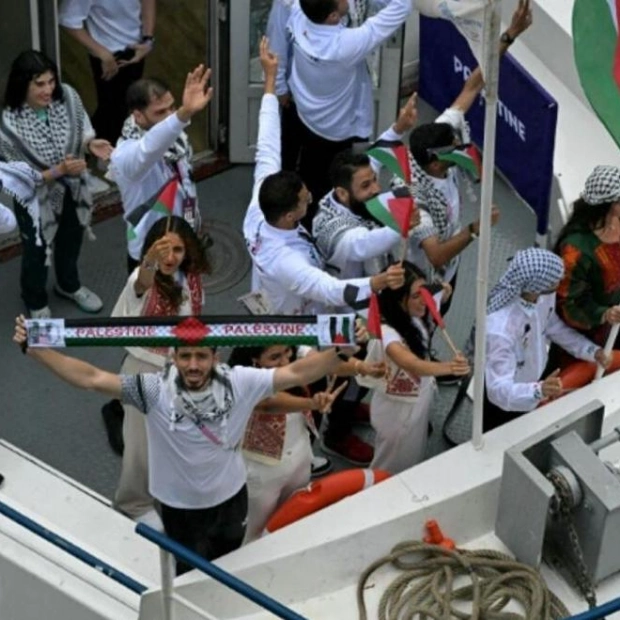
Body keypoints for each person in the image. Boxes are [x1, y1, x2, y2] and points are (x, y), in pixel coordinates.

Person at [13, 315, 361, 574]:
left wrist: (342, 350)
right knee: (187, 571)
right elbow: (91, 378)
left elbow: (298, 373)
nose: (193, 365)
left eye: (201, 357)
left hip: (231, 501)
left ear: (215, 358)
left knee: (228, 562)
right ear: (173, 358)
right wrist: (36, 350)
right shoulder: (153, 389)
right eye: (185, 357)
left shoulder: (241, 382)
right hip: (180, 508)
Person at [396, 0, 533, 314]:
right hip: (422, 282)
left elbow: (473, 85)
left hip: (450, 271)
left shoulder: (441, 135)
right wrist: (475, 229)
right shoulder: (415, 199)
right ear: (434, 163)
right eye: (455, 147)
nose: (461, 144)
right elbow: (436, 256)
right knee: (426, 322)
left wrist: (510, 34)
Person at [108, 216, 210, 529]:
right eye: (161, 250)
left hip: (177, 368)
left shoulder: (191, 280)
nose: (169, 258)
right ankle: (133, 502)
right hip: (144, 369)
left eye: (177, 249)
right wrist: (149, 262)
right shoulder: (142, 277)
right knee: (140, 443)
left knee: (173, 433)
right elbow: (143, 282)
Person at [229, 343, 382, 542]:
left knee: (294, 509)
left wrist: (361, 367)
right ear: (253, 359)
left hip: (301, 453)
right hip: (262, 468)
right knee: (254, 529)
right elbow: (268, 403)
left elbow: (328, 363)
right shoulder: (238, 379)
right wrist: (311, 404)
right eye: (275, 358)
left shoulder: (294, 352)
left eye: (287, 352)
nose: (285, 361)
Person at [0, 50, 112, 319]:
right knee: (36, 249)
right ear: (21, 84)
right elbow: (17, 177)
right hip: (34, 199)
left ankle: (68, 285)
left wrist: (90, 144)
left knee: (71, 240)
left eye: (51, 81)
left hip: (74, 188)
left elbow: (83, 129)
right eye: (39, 84)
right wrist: (56, 171)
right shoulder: (7, 126)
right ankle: (34, 298)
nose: (48, 89)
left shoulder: (68, 96)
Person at [283, 0, 412, 227]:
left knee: (312, 179)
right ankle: (343, 231)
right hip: (340, 132)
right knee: (346, 189)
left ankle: (310, 224)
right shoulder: (345, 45)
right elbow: (401, 6)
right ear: (333, 16)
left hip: (307, 115)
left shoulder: (298, 13)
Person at [361, 261, 469, 474]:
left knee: (412, 453)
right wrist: (451, 368)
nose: (424, 301)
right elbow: (412, 364)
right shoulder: (387, 333)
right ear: (398, 299)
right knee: (389, 466)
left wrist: (444, 293)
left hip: (417, 397)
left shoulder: (414, 314)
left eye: (425, 293)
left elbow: (435, 301)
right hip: (398, 411)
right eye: (416, 296)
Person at [484, 248, 609, 432]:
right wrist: (538, 391)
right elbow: (498, 390)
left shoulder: (542, 296)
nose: (560, 281)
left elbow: (552, 326)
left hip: (533, 380)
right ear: (538, 286)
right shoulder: (500, 330)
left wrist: (591, 351)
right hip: (504, 402)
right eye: (556, 279)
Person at [108, 64, 210, 274]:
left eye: (171, 108)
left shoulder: (177, 140)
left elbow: (185, 183)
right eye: (160, 112)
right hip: (150, 253)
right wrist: (183, 113)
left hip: (182, 238)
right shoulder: (126, 155)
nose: (169, 116)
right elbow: (151, 147)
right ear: (138, 116)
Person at [267, 0, 389, 174]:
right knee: (301, 162)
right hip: (302, 97)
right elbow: (277, 42)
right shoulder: (290, 5)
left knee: (350, 168)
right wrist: (279, 88)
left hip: (350, 102)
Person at [312, 93, 420, 283]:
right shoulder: (327, 225)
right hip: (353, 303)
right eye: (366, 186)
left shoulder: (356, 184)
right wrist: (402, 224)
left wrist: (399, 127)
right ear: (342, 193)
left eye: (375, 180)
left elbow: (376, 155)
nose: (376, 189)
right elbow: (364, 245)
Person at [59, 0, 157, 144]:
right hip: (109, 57)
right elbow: (67, 19)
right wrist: (102, 53)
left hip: (137, 49)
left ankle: (92, 145)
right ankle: (99, 152)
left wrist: (148, 40)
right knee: (112, 109)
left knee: (125, 105)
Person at [553, 165, 620, 365]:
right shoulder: (576, 250)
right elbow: (569, 306)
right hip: (587, 340)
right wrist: (604, 314)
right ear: (608, 205)